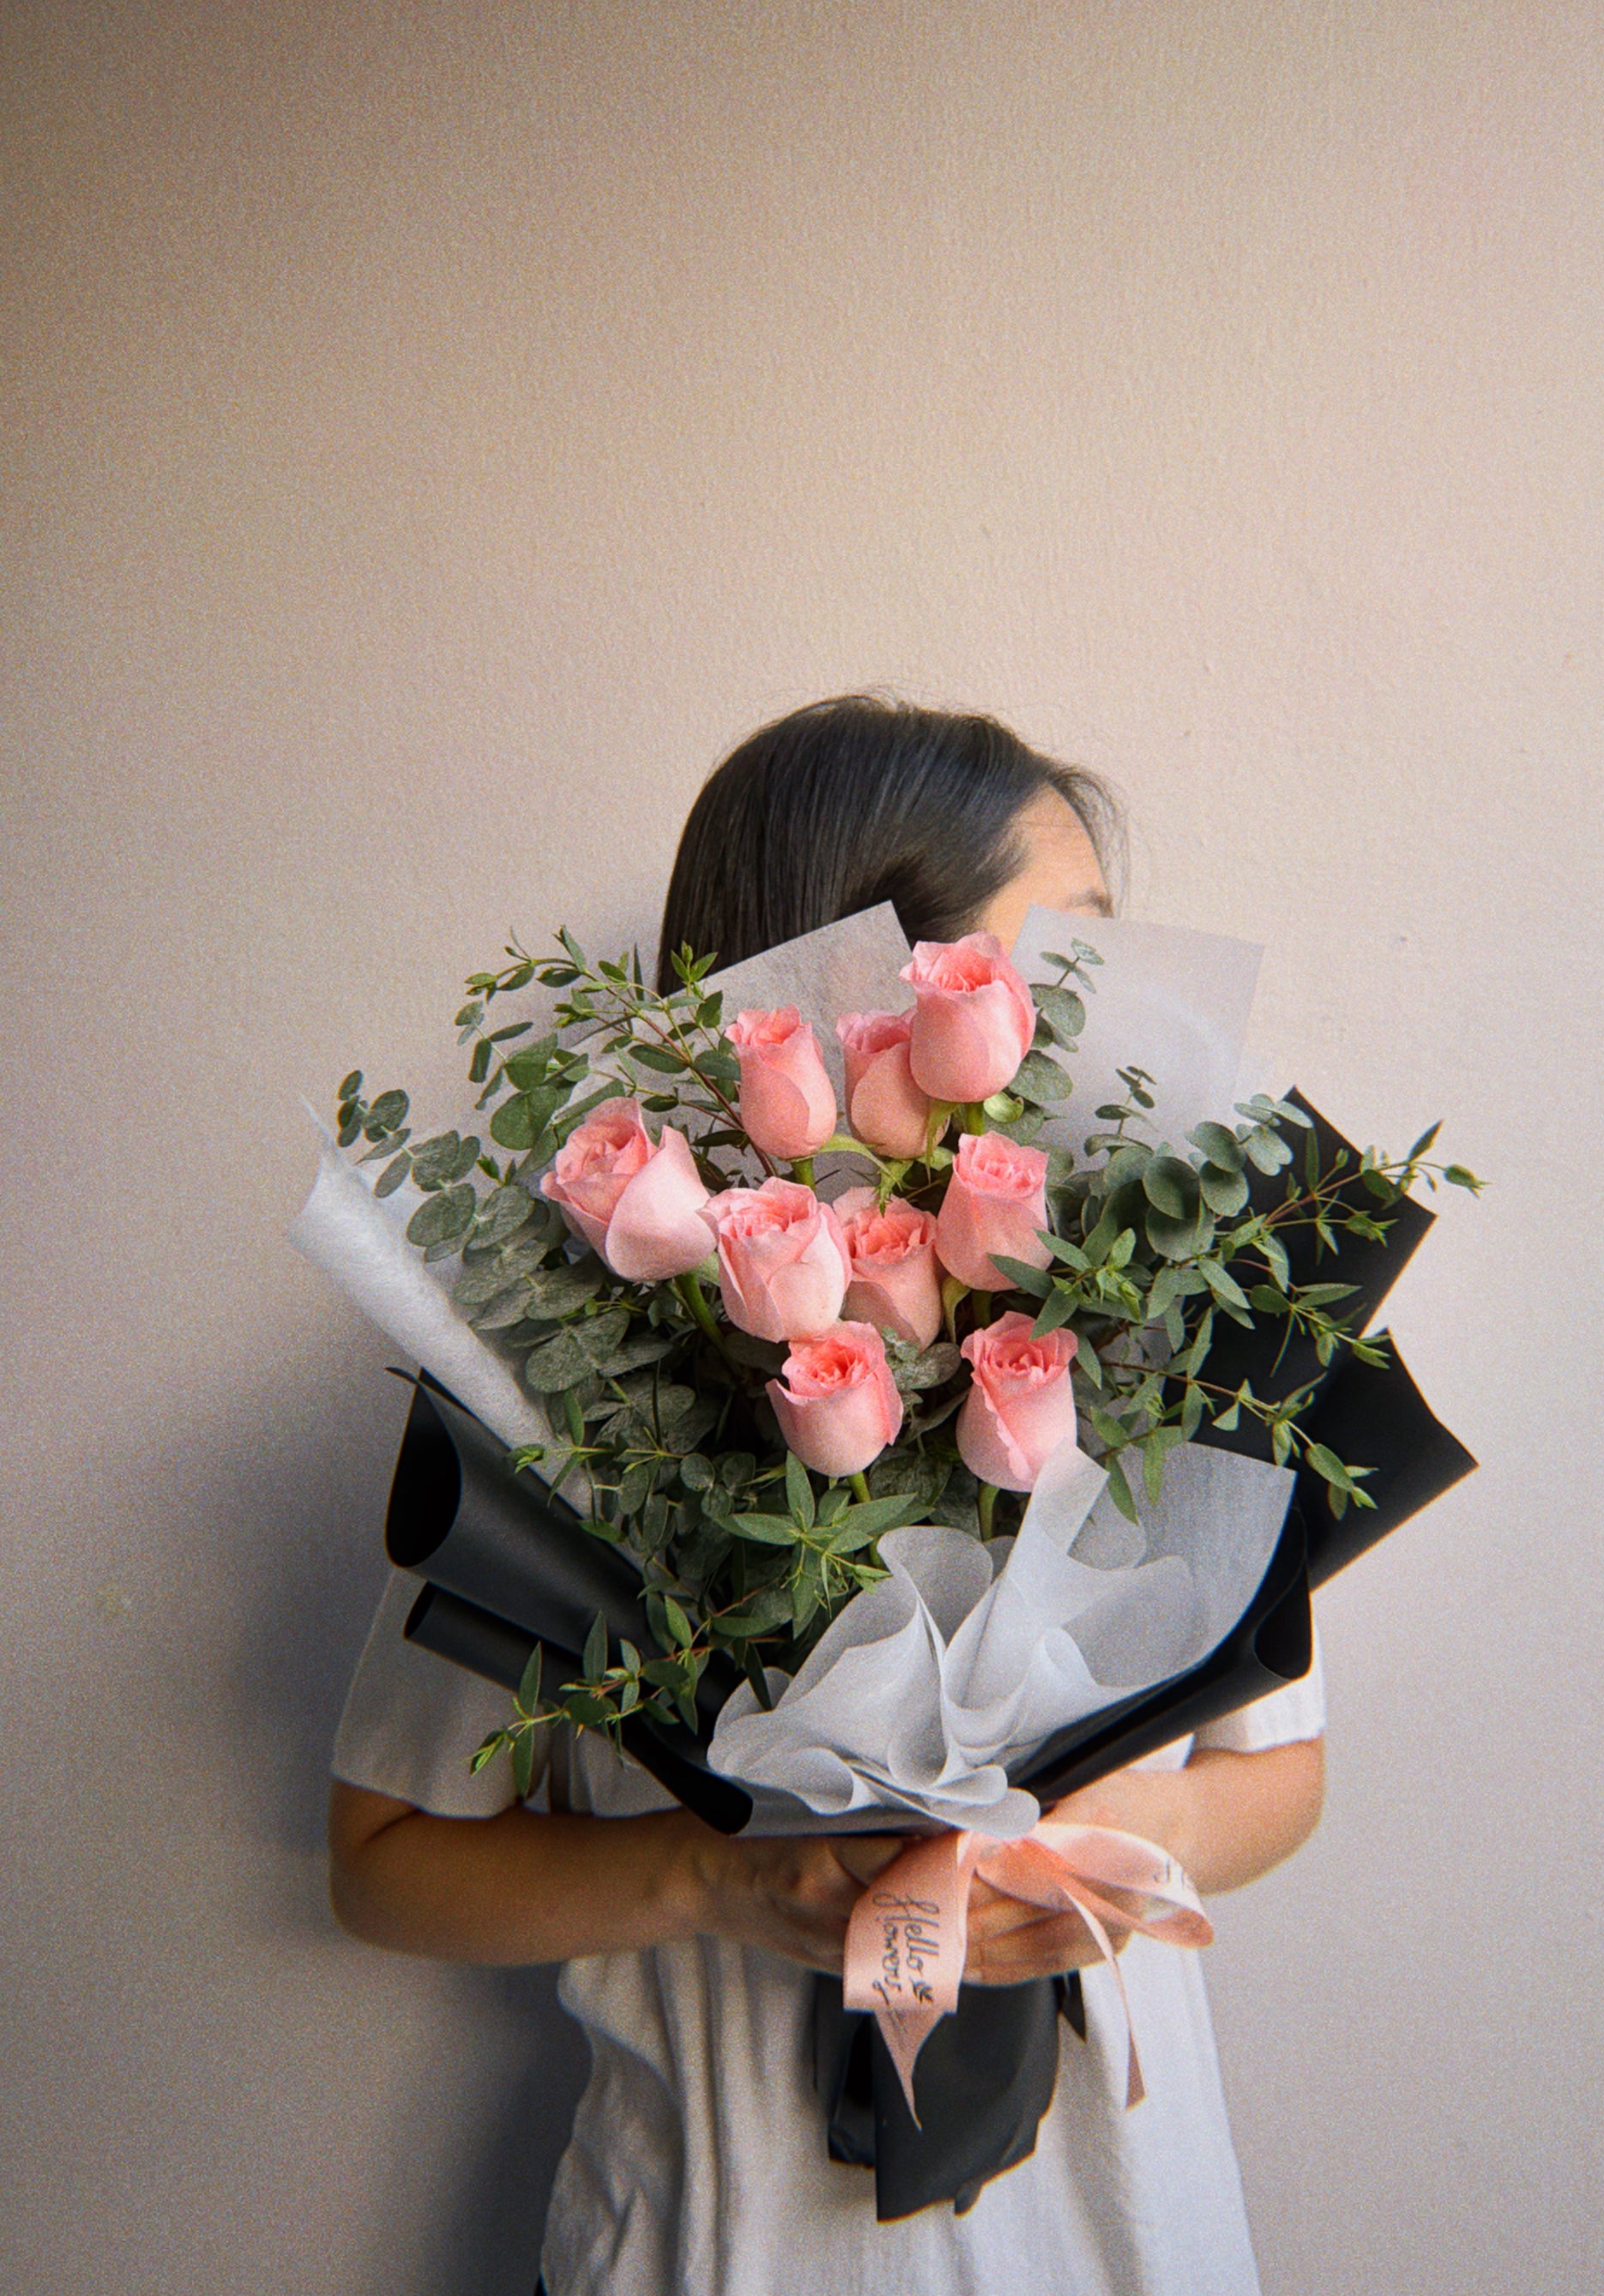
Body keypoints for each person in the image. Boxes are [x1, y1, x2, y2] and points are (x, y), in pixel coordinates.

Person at [328, 695, 1325, 2294]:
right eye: (1058, 969)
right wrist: (714, 1880)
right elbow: (381, 1856)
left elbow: (1278, 1770)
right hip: (720, 2247)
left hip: (1121, 2241)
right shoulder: (572, 1387)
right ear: (855, 998)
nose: (1112, 1021)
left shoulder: (1172, 1354)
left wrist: (1146, 1830)